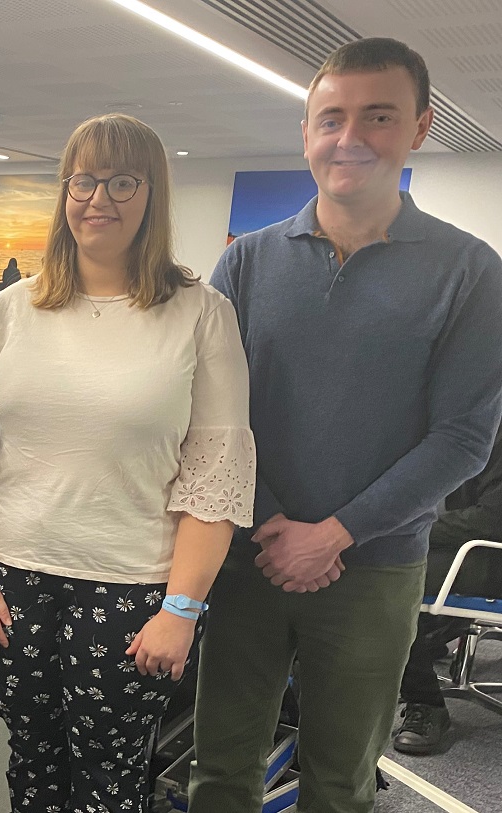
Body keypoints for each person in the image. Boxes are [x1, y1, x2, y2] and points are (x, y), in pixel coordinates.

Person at [190, 38, 502, 813]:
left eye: (379, 116)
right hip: (244, 560)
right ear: (305, 132)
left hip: (375, 569)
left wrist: (331, 533)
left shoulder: (471, 272)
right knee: (221, 770)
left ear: (420, 127)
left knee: (339, 781)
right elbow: (209, 417)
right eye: (331, 117)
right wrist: (270, 524)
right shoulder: (246, 264)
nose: (350, 137)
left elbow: (463, 439)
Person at [0, 113, 254, 813]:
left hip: (132, 588)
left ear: (152, 195)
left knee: (108, 777)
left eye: (122, 181)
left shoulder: (202, 315)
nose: (98, 198)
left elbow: (216, 478)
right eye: (83, 180)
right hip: (12, 579)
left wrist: (182, 608)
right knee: (32, 757)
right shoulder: (12, 309)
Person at [393, 426, 502, 754]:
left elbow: (491, 521)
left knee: (389, 581)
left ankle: (426, 703)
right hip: (449, 545)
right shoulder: (432, 430)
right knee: (379, 560)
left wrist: (410, 527)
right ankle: (427, 639)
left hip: (487, 553)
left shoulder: (493, 430)